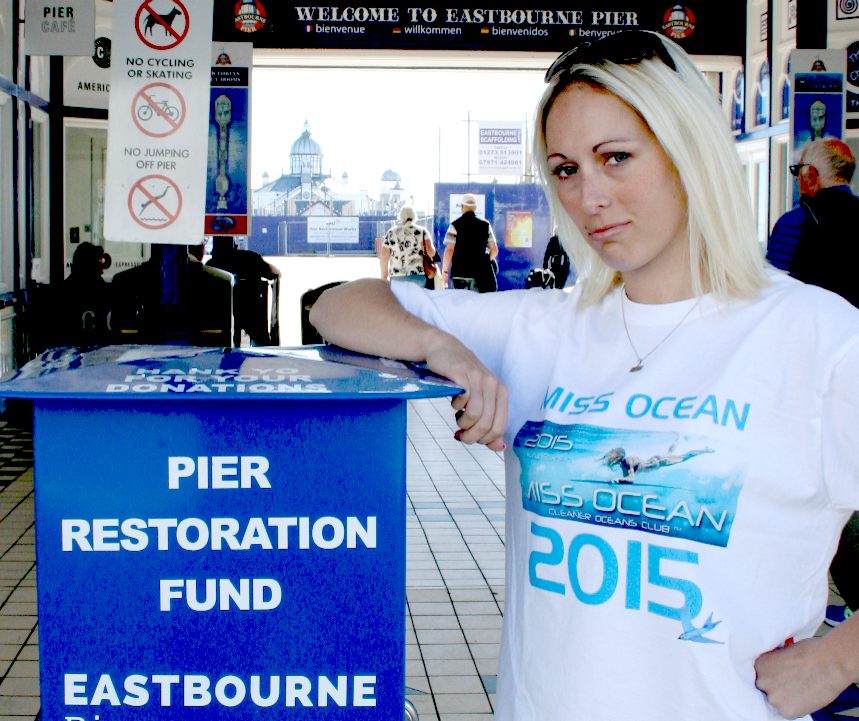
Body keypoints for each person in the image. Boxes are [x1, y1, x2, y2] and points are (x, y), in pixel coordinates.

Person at [310, 29, 859, 721]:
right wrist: (441, 347)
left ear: (687, 153)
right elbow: (336, 304)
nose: (588, 196)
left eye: (616, 158)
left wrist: (839, 657)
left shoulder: (816, 338)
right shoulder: (541, 327)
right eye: (566, 169)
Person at [785, 138, 859, 307]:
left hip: (808, 325)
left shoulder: (793, 222)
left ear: (810, 174)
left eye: (798, 170)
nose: (797, 179)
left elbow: (776, 288)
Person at [206, 235, 281, 345]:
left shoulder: (211, 265)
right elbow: (275, 273)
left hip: (221, 317)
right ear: (235, 244)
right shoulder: (250, 258)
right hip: (252, 314)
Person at [441, 194, 498, 292]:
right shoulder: (485, 225)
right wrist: (484, 261)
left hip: (459, 274)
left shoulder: (454, 225)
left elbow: (449, 250)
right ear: (475, 207)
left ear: (461, 207)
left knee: (459, 306)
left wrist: (445, 271)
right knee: (476, 306)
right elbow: (494, 250)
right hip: (478, 276)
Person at [380, 205, 436, 287]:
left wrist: (384, 277)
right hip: (418, 276)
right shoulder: (422, 231)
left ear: (400, 217)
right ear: (414, 216)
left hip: (397, 277)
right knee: (415, 299)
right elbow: (431, 253)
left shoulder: (391, 232)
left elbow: (384, 256)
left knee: (399, 300)